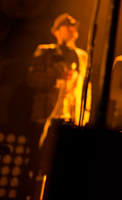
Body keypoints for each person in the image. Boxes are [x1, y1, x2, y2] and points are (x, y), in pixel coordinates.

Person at [26, 13, 90, 145]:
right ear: (57, 32)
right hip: (48, 111)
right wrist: (57, 80)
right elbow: (32, 78)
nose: (72, 30)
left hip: (72, 113)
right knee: (42, 149)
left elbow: (86, 86)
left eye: (73, 27)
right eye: (67, 27)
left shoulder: (82, 56)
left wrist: (86, 111)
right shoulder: (45, 52)